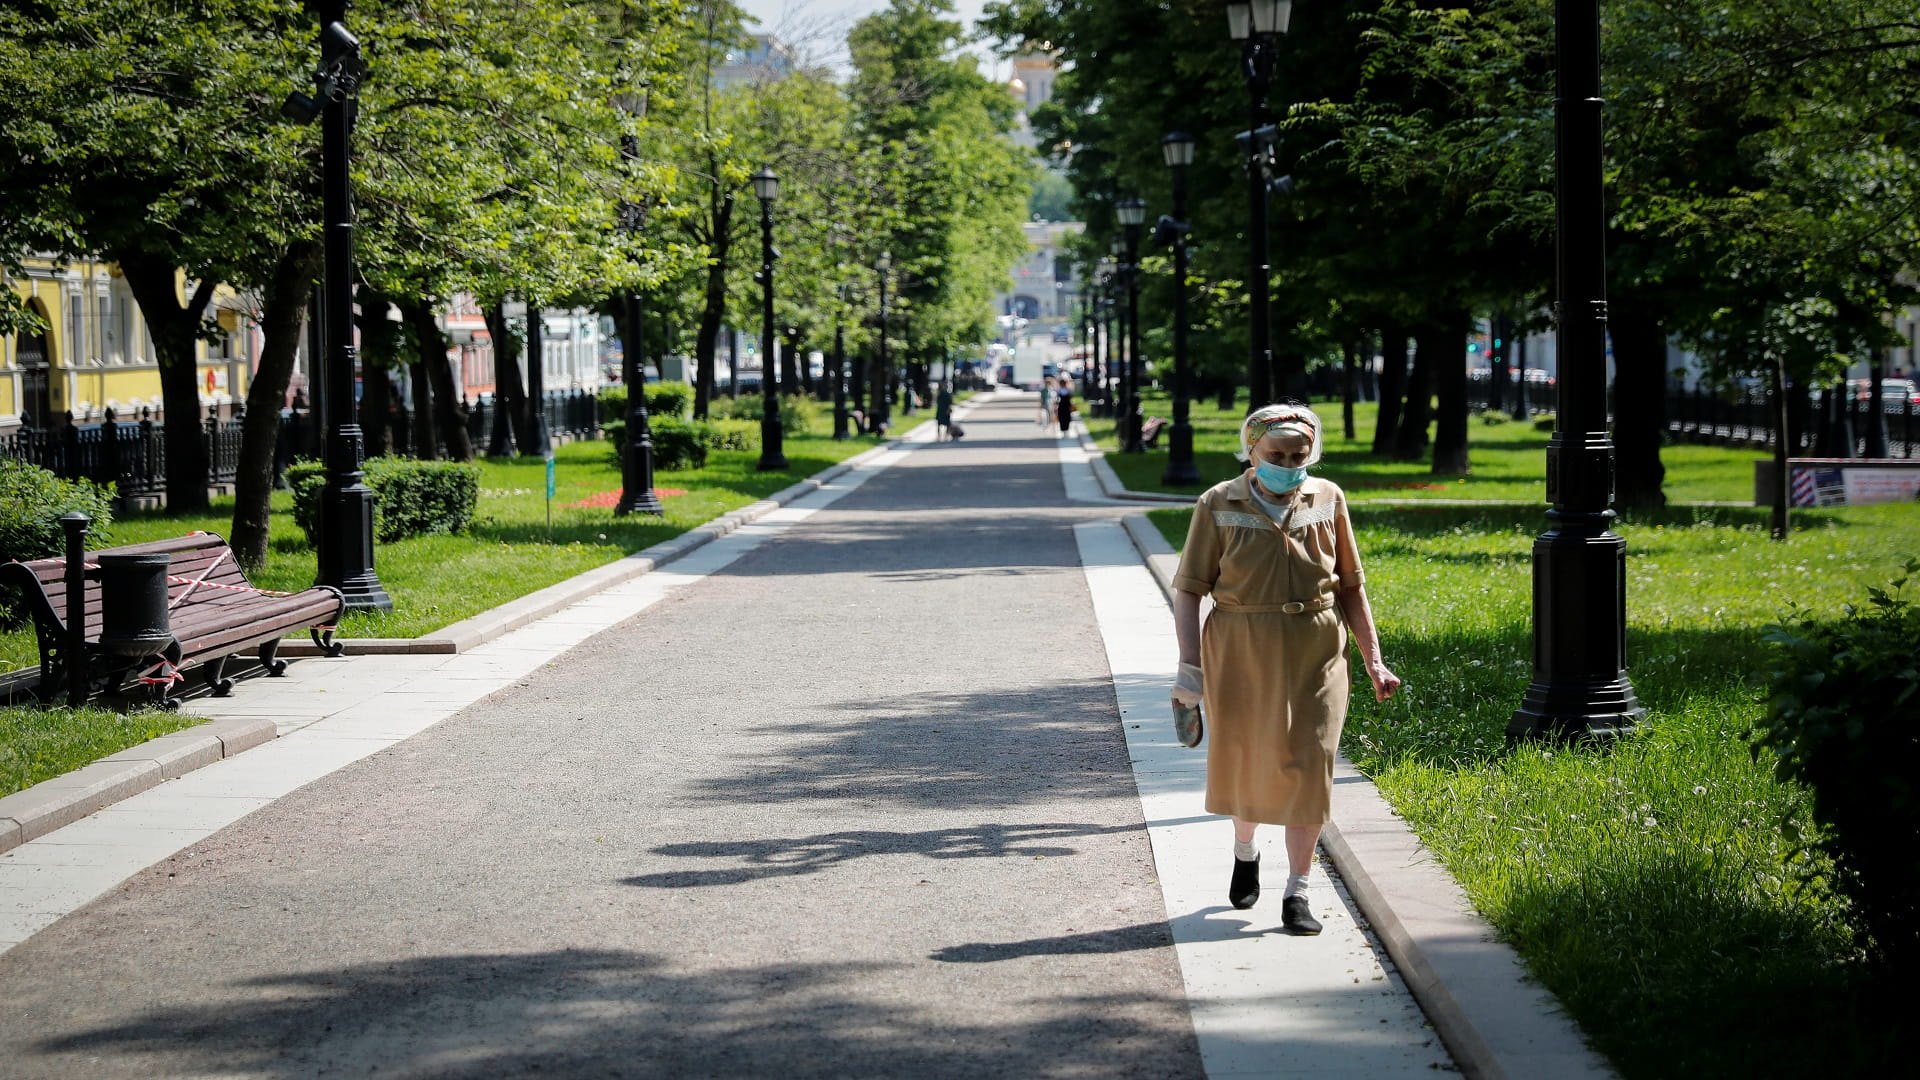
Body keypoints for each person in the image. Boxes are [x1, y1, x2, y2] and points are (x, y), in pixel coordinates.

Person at [1169, 402, 1400, 934]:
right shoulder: (1216, 503)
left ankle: (1298, 890)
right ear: (1252, 450)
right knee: (1248, 759)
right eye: (1277, 454)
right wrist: (1189, 667)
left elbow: (1351, 586)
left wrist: (1374, 660)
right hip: (1239, 646)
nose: (1290, 463)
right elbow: (1188, 591)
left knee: (1311, 762)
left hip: (1316, 647)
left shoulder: (1328, 497)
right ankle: (1246, 850)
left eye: (1300, 454)